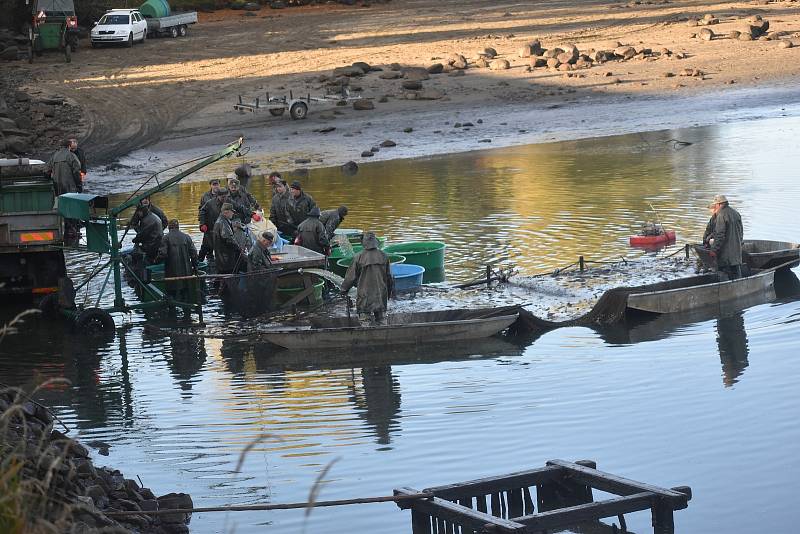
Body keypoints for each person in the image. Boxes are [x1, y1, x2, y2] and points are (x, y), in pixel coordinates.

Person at [341, 232, 394, 323]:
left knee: (365, 321)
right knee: (382, 321)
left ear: (364, 243)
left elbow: (350, 277)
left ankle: (367, 335)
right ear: (375, 243)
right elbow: (389, 277)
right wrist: (388, 293)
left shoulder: (359, 257)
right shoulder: (384, 256)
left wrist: (343, 289)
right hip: (380, 295)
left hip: (364, 296)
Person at [703, 194, 744, 280]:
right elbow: (741, 233)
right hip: (736, 250)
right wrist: (740, 244)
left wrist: (714, 250)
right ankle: (739, 287)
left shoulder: (721, 215)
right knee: (736, 271)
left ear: (719, 204)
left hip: (726, 253)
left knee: (723, 272)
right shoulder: (736, 213)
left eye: (716, 205)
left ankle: (726, 289)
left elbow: (719, 235)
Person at [157, 219, 199, 304]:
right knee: (186, 297)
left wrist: (156, 261)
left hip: (171, 274)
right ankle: (187, 313)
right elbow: (194, 254)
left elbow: (163, 254)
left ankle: (172, 314)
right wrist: (196, 268)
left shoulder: (166, 238)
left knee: (171, 298)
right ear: (178, 227)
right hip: (187, 274)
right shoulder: (187, 237)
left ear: (169, 227)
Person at [213, 203, 245, 274]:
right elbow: (229, 239)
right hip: (226, 258)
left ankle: (218, 284)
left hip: (221, 257)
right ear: (226, 212)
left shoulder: (220, 221)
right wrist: (239, 249)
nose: (233, 213)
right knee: (227, 277)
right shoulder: (223, 223)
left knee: (222, 276)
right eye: (232, 211)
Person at [198, 187, 227, 262]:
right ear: (218, 196)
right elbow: (202, 212)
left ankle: (219, 263)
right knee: (205, 248)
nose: (224, 199)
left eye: (225, 197)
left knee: (221, 249)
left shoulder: (228, 202)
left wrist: (251, 214)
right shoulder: (210, 203)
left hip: (222, 232)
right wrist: (202, 224)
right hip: (210, 229)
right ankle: (198, 264)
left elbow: (239, 207)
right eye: (222, 197)